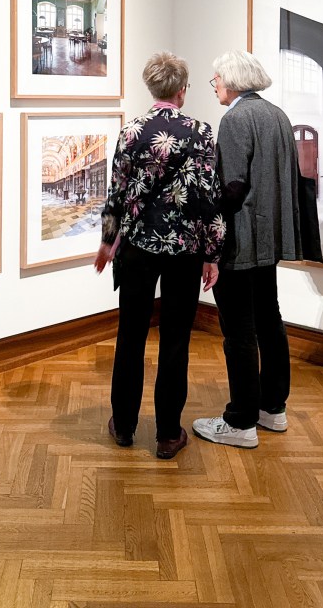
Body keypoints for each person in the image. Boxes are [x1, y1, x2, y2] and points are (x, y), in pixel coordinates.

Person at [94, 51, 226, 459]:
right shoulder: (202, 133)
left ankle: (124, 425)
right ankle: (169, 433)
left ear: (151, 88)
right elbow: (210, 198)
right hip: (184, 252)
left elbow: (115, 193)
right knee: (175, 340)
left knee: (130, 335)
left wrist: (106, 240)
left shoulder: (131, 132)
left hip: (136, 250)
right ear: (182, 90)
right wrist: (213, 253)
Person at [192, 50, 302, 450]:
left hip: (240, 241)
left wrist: (210, 238)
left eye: (216, 79)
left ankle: (240, 421)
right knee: (269, 321)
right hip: (269, 240)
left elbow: (233, 187)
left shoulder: (236, 118)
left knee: (238, 330)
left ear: (232, 80)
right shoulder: (277, 115)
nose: (215, 86)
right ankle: (273, 408)